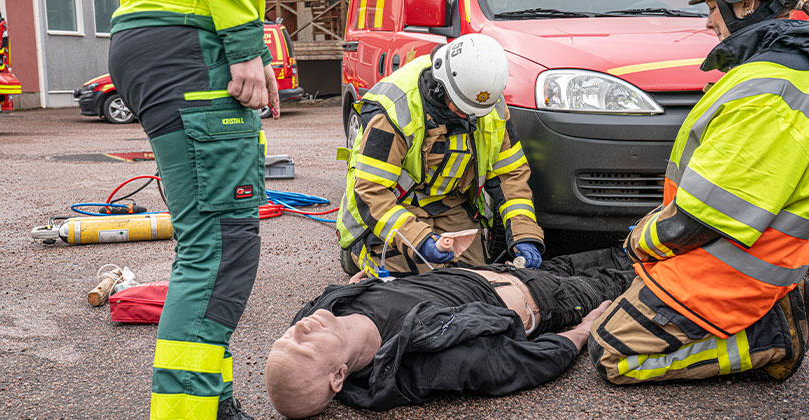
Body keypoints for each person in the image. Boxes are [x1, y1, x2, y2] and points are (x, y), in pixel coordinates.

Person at [588, 0, 809, 385]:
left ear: (747, 4)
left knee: (612, 353)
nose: (708, 21)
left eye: (712, 6)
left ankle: (768, 338)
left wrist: (640, 242)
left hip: (728, 268)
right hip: (741, 256)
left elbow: (702, 218)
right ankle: (767, 314)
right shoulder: (778, 72)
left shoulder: (771, 93)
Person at [107, 0, 279, 417]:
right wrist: (243, 48)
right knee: (218, 252)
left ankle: (213, 405)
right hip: (190, 40)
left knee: (211, 247)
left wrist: (257, 50)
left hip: (164, 37)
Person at [265, 248, 635, 418]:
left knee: (619, 250)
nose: (299, 330)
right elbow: (523, 364)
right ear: (338, 376)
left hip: (490, 269)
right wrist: (584, 330)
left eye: (284, 339)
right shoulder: (423, 364)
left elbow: (316, 312)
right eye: (305, 348)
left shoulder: (323, 312)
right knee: (637, 275)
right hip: (548, 299)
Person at [336, 34, 544, 278]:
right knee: (415, 282)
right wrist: (419, 239)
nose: (469, 118)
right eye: (461, 109)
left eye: (474, 112)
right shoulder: (395, 110)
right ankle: (356, 252)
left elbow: (511, 176)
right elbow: (372, 194)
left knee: (477, 278)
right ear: (441, 86)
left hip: (449, 203)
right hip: (398, 204)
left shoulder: (487, 105)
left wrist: (524, 234)